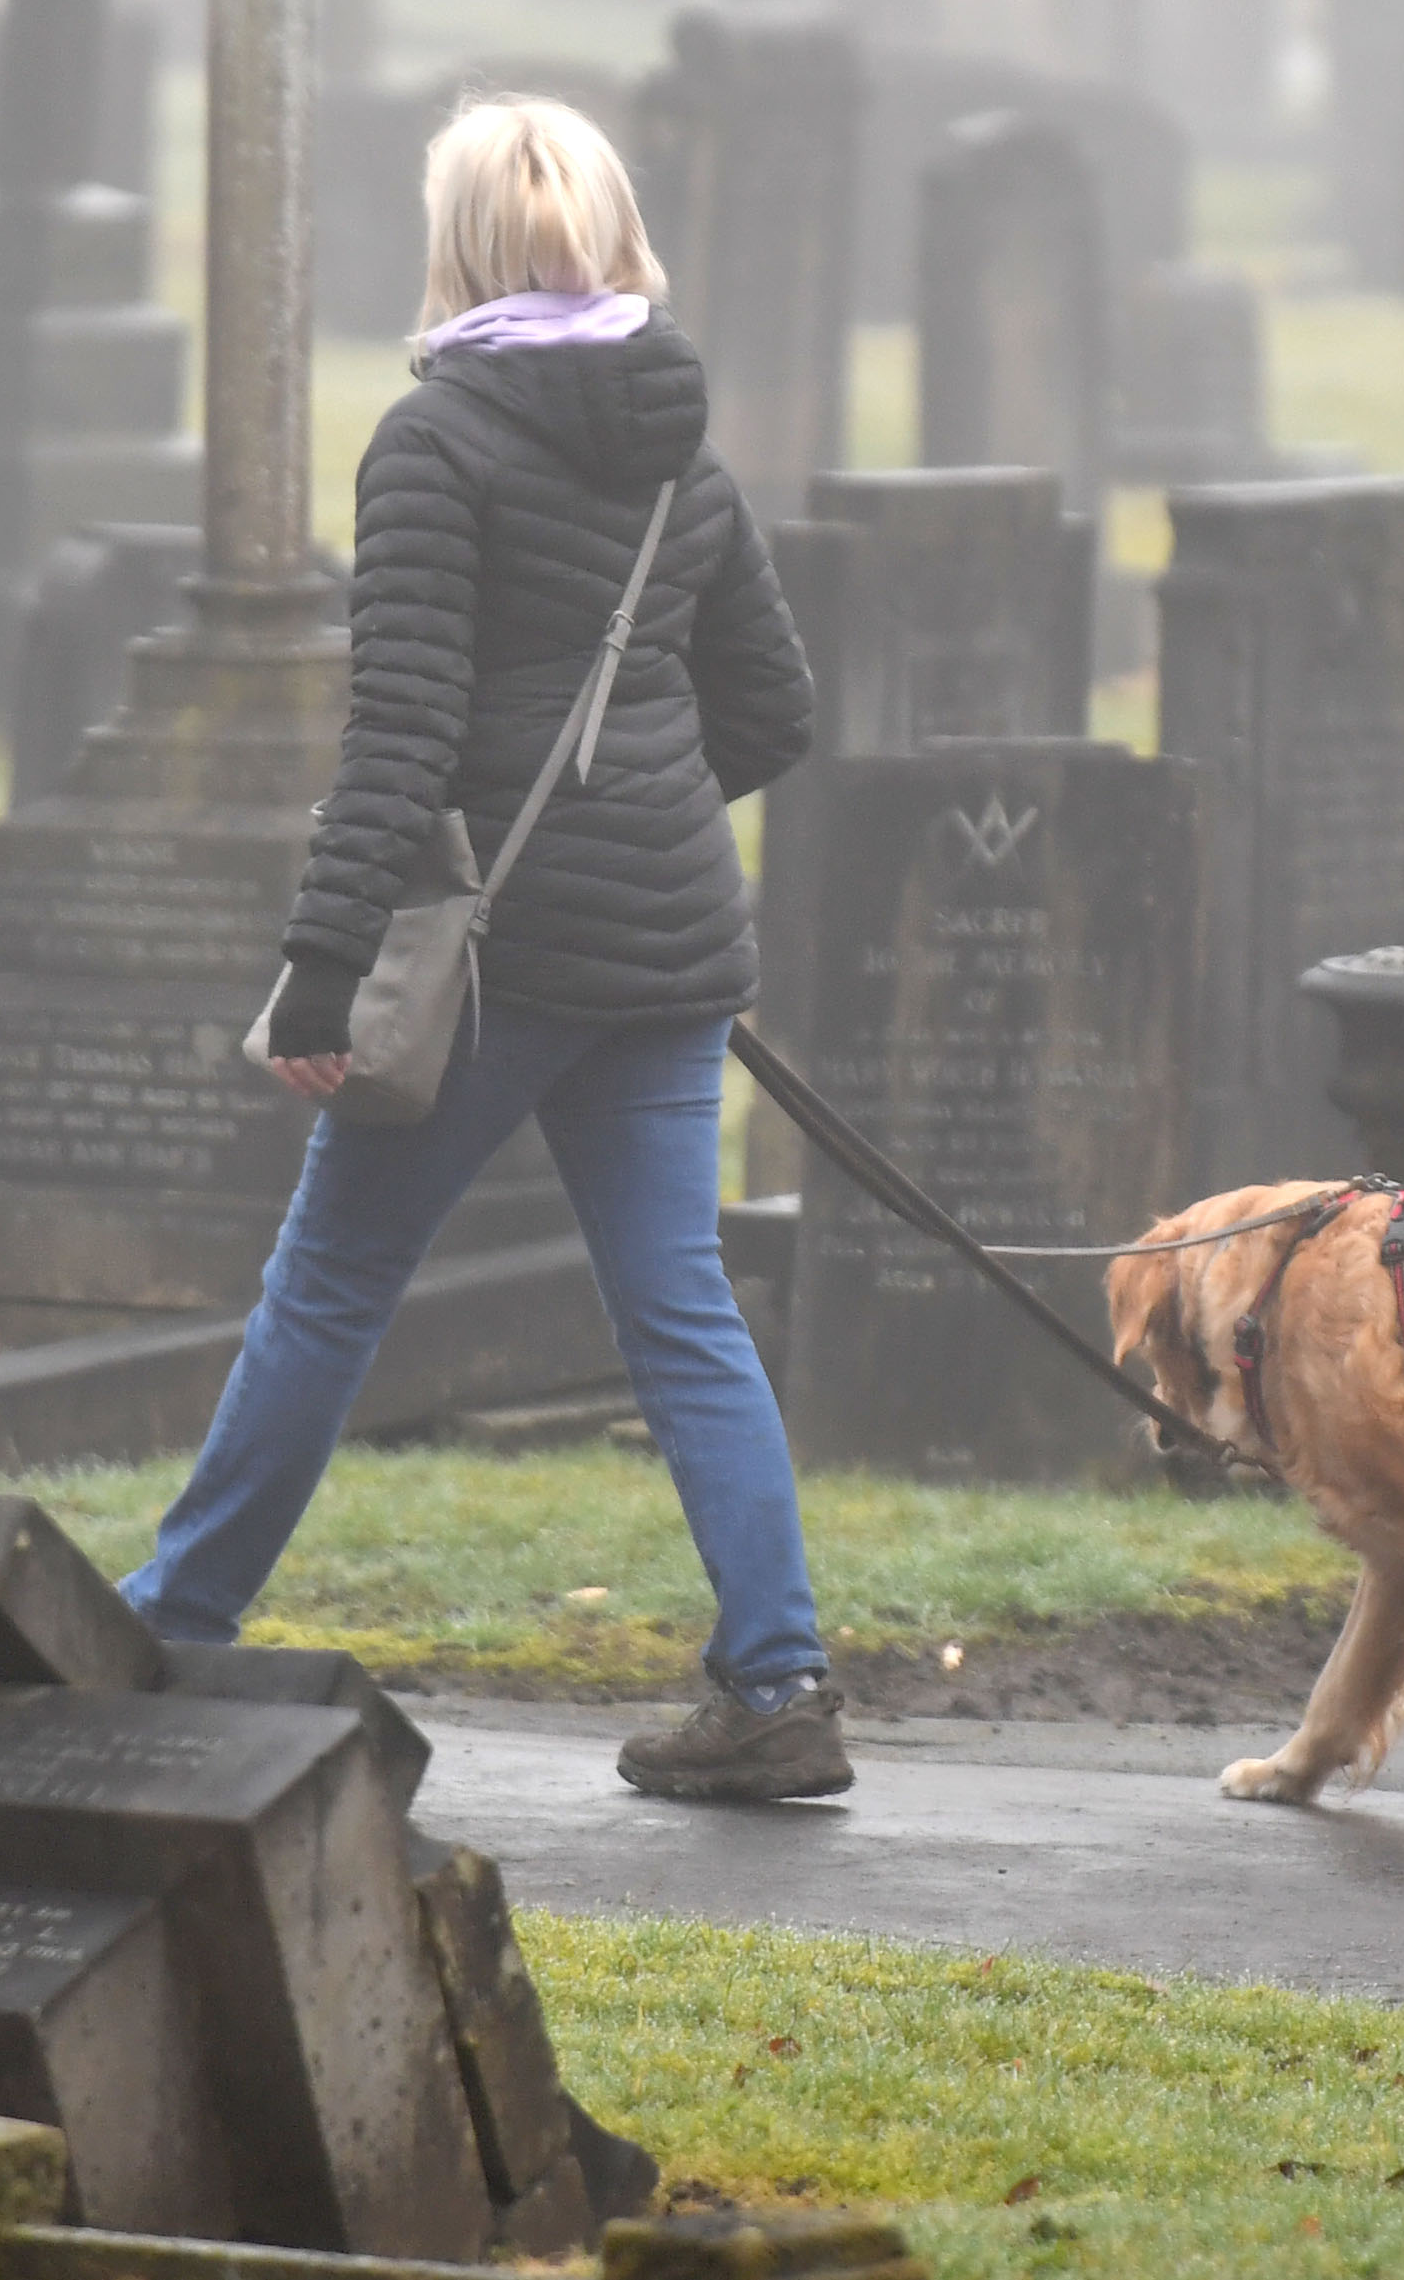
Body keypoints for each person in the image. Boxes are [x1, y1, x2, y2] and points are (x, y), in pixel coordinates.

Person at [117, 93, 844, 1800]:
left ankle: (177, 1617)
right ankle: (780, 1678)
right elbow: (773, 709)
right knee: (681, 1312)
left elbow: (404, 726)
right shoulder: (683, 433)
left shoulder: (433, 438)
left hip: (498, 953)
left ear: (454, 244)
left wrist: (318, 959)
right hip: (668, 946)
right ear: (611, 234)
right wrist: (641, 819)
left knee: (331, 1282)